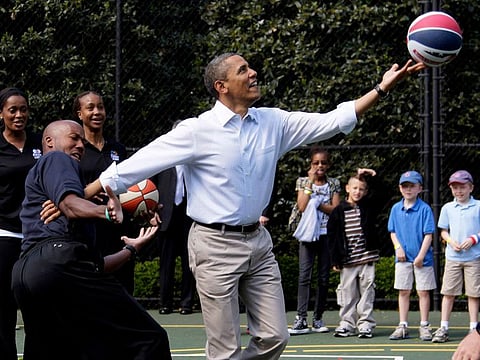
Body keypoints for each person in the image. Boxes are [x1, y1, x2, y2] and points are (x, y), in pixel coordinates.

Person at [84, 53, 424, 359]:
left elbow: (333, 120)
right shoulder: (197, 131)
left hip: (258, 244)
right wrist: (83, 194)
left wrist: (381, 88)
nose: (253, 73)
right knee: (225, 348)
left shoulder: (273, 122)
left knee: (275, 336)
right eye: (242, 70)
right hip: (212, 246)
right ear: (221, 86)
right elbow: (139, 163)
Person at [11, 120, 171, 360]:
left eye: (83, 142)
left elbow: (94, 267)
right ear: (49, 142)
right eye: (74, 138)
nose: (80, 145)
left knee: (57, 352)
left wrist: (131, 248)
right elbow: (70, 205)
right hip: (58, 262)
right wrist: (106, 212)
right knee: (148, 338)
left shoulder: (51, 194)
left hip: (27, 274)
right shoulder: (56, 159)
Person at [73, 91, 136, 293]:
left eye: (100, 107)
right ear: (79, 114)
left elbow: (128, 186)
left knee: (123, 291)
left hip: (117, 229)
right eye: (90, 107)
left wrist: (142, 204)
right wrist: (91, 193)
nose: (97, 112)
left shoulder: (117, 149)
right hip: (87, 230)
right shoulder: (76, 149)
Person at [0, 87, 42, 360]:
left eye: (23, 109)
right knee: (4, 305)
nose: (19, 115)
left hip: (36, 233)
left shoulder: (40, 143)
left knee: (37, 303)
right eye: (12, 110)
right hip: (4, 232)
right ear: (1, 113)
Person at [289, 147, 340, 335]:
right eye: (316, 163)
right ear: (310, 164)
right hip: (308, 234)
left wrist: (319, 204)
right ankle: (301, 318)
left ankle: (318, 318)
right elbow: (302, 206)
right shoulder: (303, 181)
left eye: (323, 163)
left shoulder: (333, 183)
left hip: (327, 234)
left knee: (324, 278)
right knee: (304, 276)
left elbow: (335, 211)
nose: (320, 166)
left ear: (329, 165)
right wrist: (310, 181)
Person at [327, 168, 384, 339]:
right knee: (347, 293)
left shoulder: (368, 207)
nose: (357, 192)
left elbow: (383, 194)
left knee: (367, 292)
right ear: (347, 188)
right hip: (348, 260)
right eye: (355, 188)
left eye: (361, 189)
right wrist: (335, 259)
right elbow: (332, 237)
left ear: (365, 191)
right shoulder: (338, 211)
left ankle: (365, 324)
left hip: (366, 258)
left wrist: (371, 175)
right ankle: (347, 323)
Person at [432, 170, 480, 343]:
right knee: (448, 293)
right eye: (455, 188)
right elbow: (443, 231)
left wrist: (474, 239)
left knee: (474, 294)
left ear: (471, 188)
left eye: (462, 187)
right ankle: (444, 327)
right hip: (453, 258)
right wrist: (451, 241)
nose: (458, 191)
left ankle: (473, 329)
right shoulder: (447, 208)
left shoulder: (479, 206)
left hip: (474, 258)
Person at [387, 170, 436, 341]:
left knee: (423, 292)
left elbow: (428, 234)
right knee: (404, 291)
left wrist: (421, 255)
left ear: (419, 188)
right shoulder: (395, 209)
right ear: (400, 188)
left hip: (423, 260)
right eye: (405, 186)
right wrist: (398, 248)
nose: (408, 189)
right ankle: (403, 325)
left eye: (412, 186)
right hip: (402, 259)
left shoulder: (425, 209)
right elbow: (392, 231)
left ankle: (424, 325)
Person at [154, 163, 196, 315]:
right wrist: (153, 210)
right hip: (167, 214)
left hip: (189, 214)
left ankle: (186, 303)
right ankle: (165, 303)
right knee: (166, 262)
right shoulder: (163, 158)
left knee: (189, 261)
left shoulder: (193, 159)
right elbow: (151, 185)